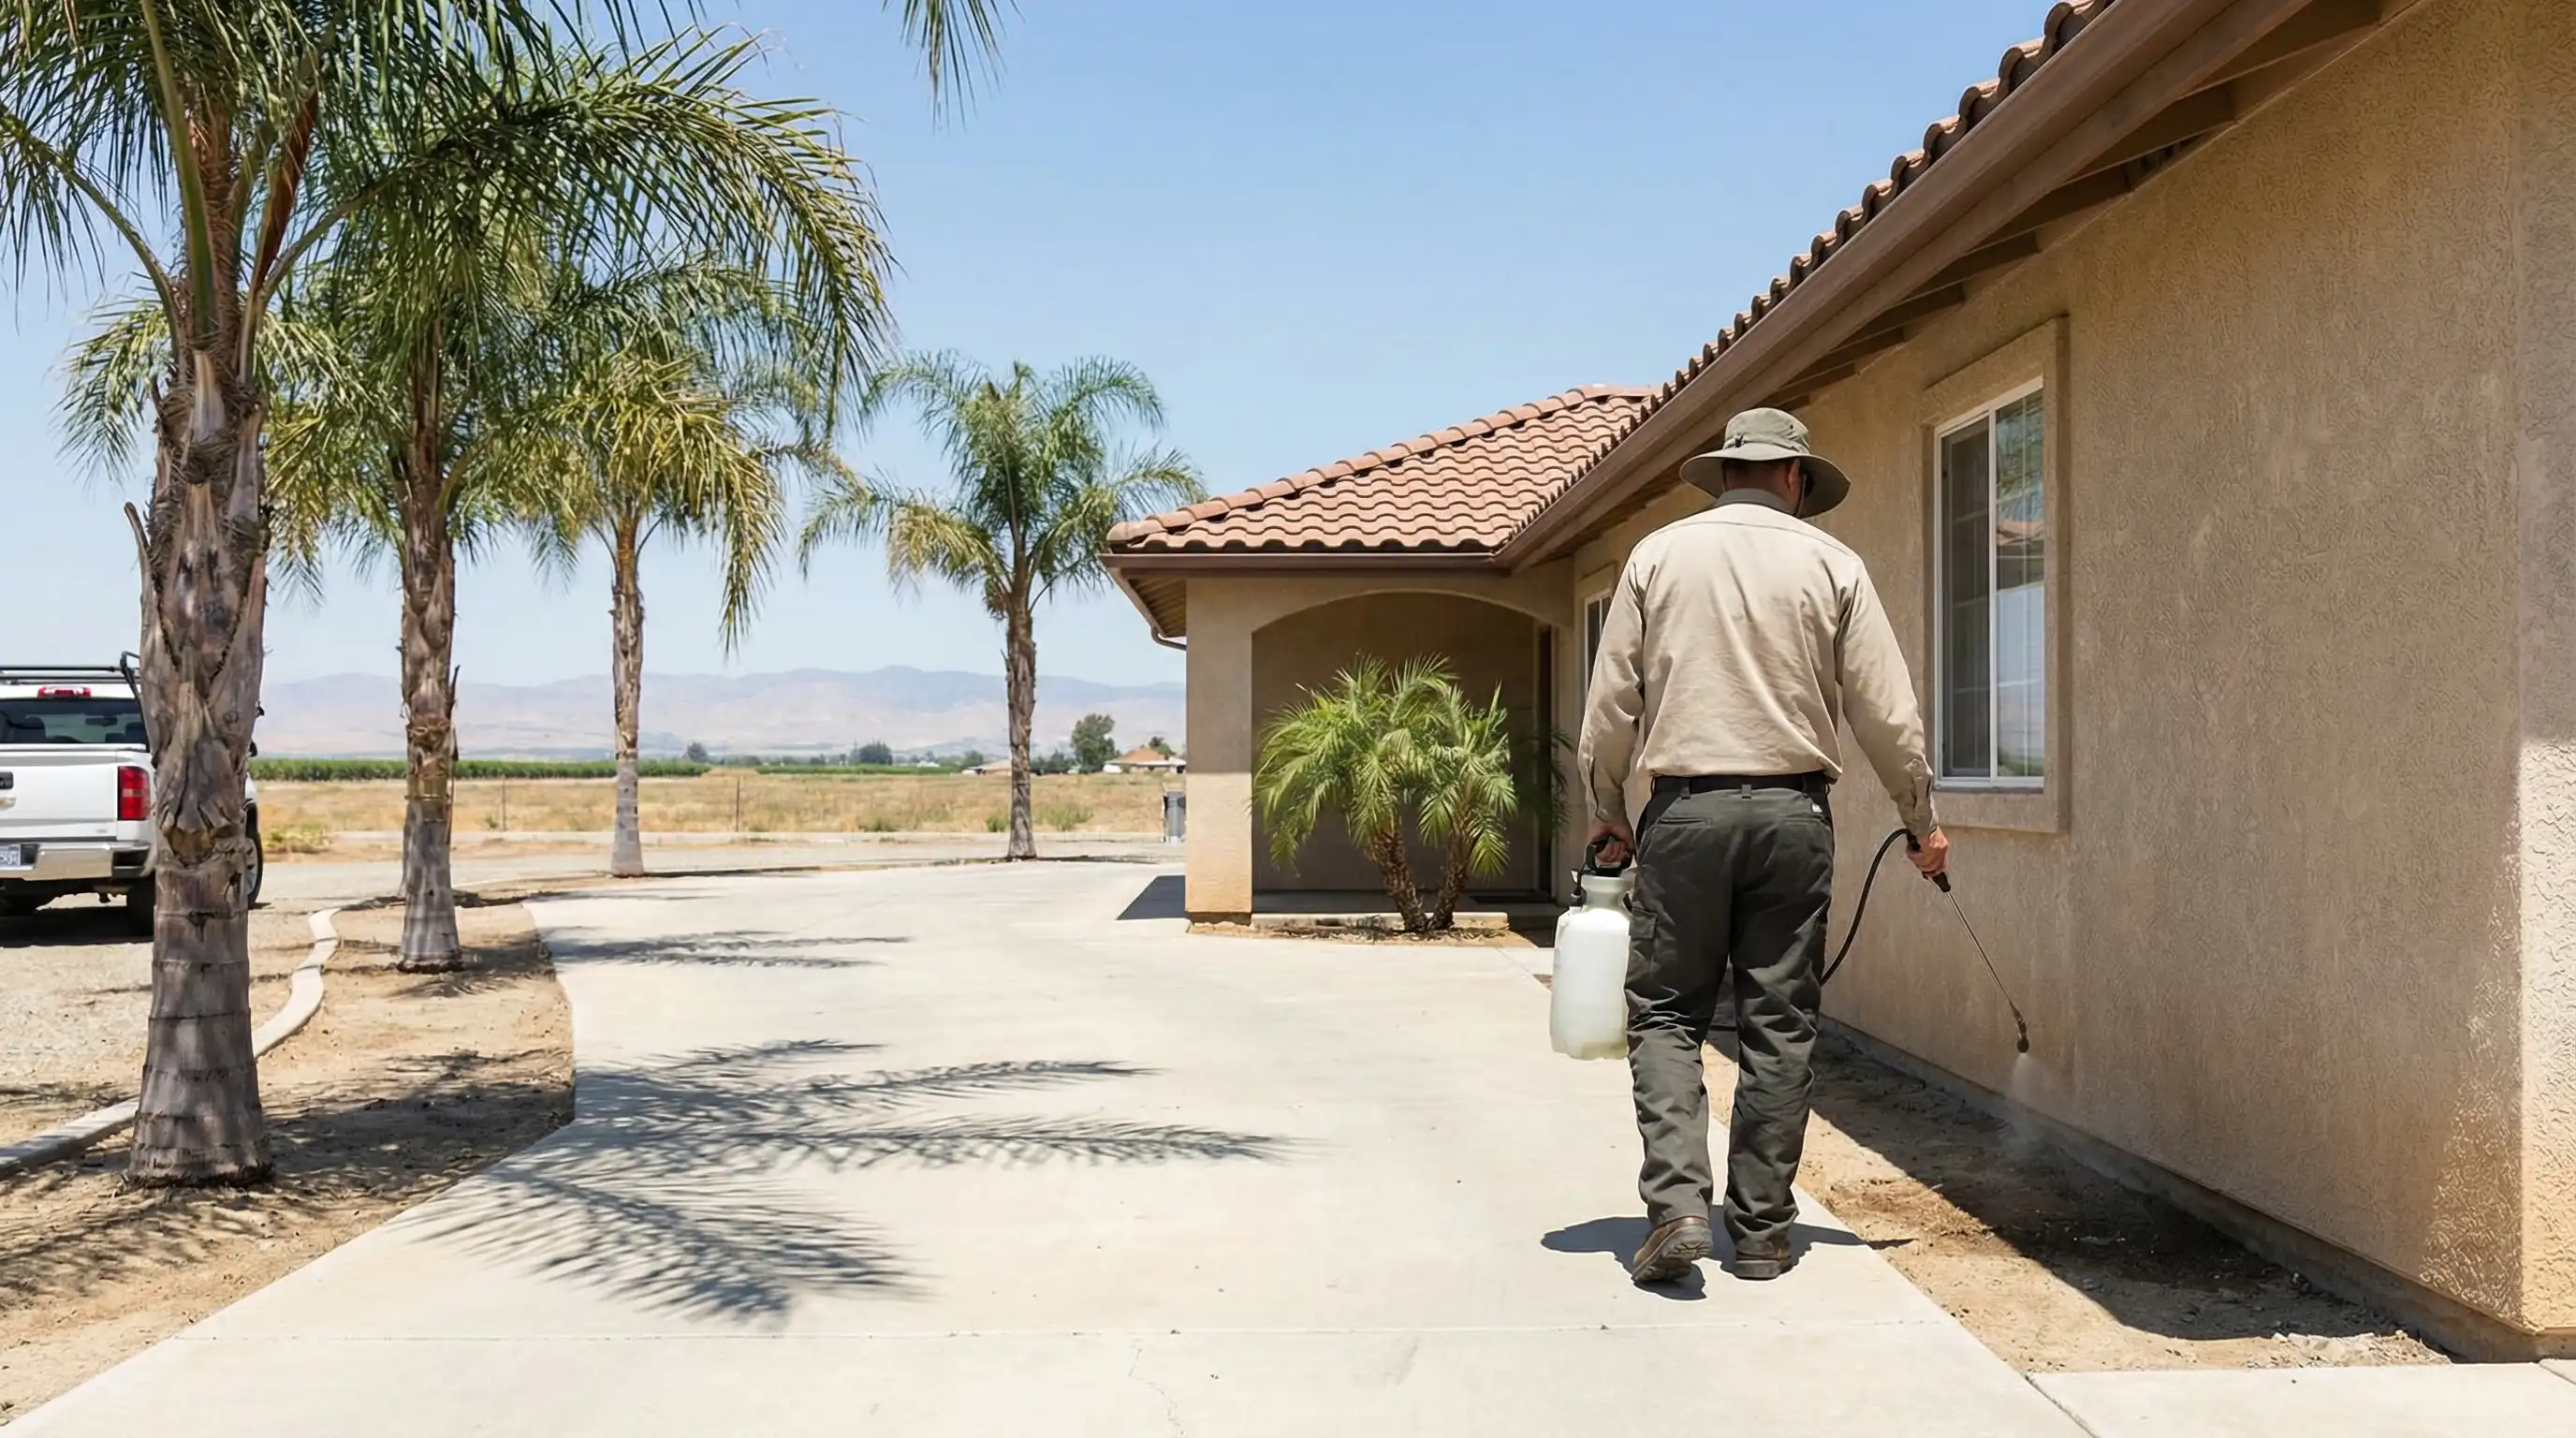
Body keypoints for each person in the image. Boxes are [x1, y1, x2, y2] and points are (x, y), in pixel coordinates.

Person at [1576, 406, 1948, 1285]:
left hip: (1685, 814)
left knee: (1668, 1012)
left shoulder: (1656, 557)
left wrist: (1608, 808)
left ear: (1729, 472)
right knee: (1779, 1024)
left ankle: (1675, 1208)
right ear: (1793, 477)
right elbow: (1886, 714)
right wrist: (1920, 818)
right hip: (1793, 817)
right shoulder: (1834, 565)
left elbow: (1609, 708)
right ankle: (1764, 1234)